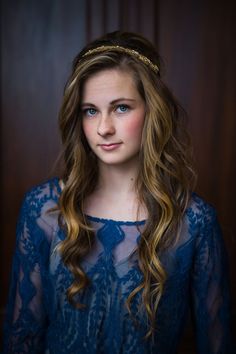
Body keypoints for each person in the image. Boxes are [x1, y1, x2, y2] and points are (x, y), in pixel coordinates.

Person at [3, 31, 234, 354]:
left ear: (152, 110)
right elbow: (21, 337)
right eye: (90, 111)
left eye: (121, 108)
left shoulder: (194, 223)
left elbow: (217, 343)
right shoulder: (44, 211)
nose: (103, 128)